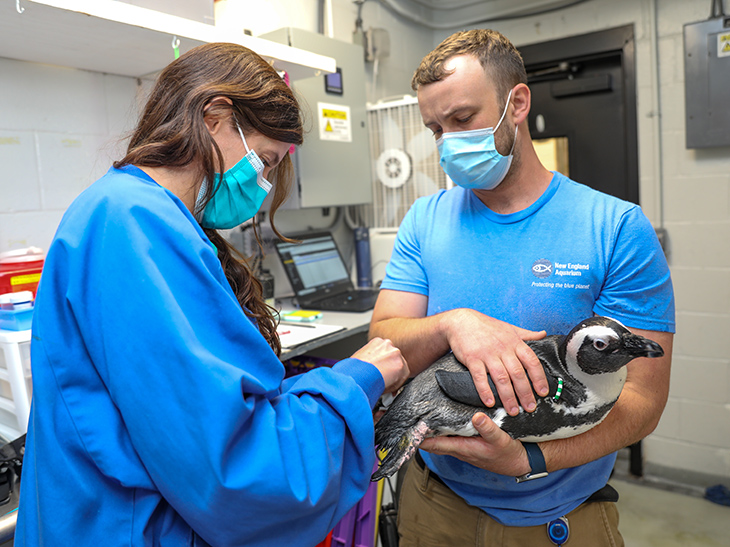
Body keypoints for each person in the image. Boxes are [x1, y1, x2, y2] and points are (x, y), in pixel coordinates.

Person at [16, 43, 409, 547]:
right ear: (216, 117)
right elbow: (235, 463)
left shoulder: (140, 214)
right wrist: (358, 379)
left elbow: (205, 404)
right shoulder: (134, 223)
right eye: (264, 160)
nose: (262, 183)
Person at [370, 29, 674, 546]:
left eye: (462, 119)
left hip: (557, 514)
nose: (448, 142)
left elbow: (643, 399)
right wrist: (453, 324)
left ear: (518, 103)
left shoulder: (615, 227)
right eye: (435, 129)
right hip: (434, 503)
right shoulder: (425, 219)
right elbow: (385, 342)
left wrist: (530, 458)